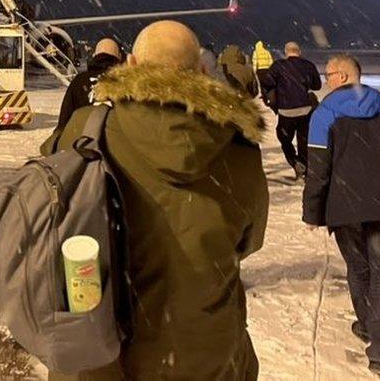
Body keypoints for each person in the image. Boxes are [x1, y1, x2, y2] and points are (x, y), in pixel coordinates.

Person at [50, 21, 269, 380]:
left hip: (104, 355)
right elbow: (249, 240)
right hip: (204, 355)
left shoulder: (86, 131)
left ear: (131, 65)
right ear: (201, 69)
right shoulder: (238, 148)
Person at [303, 54, 380, 378]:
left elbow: (319, 169)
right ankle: (379, 353)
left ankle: (369, 327)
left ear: (343, 76)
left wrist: (312, 212)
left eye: (328, 74)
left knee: (359, 266)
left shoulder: (324, 114)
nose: (326, 80)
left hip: (346, 204)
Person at [268, 42, 322, 180]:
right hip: (305, 109)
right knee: (303, 141)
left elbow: (268, 83)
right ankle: (303, 167)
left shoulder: (278, 66)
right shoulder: (308, 65)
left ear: (286, 52)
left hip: (286, 111)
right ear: (300, 51)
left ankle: (296, 162)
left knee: (284, 139)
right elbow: (317, 86)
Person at [54, 38, 122, 133]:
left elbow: (63, 123)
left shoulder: (79, 81)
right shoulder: (127, 82)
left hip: (83, 142)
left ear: (94, 55)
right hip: (118, 144)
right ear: (119, 57)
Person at [252, 40, 275, 105]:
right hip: (268, 70)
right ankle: (271, 97)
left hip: (260, 70)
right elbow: (271, 61)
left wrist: (254, 70)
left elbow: (255, 61)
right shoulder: (267, 52)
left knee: (262, 84)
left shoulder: (256, 52)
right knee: (268, 84)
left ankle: (265, 99)